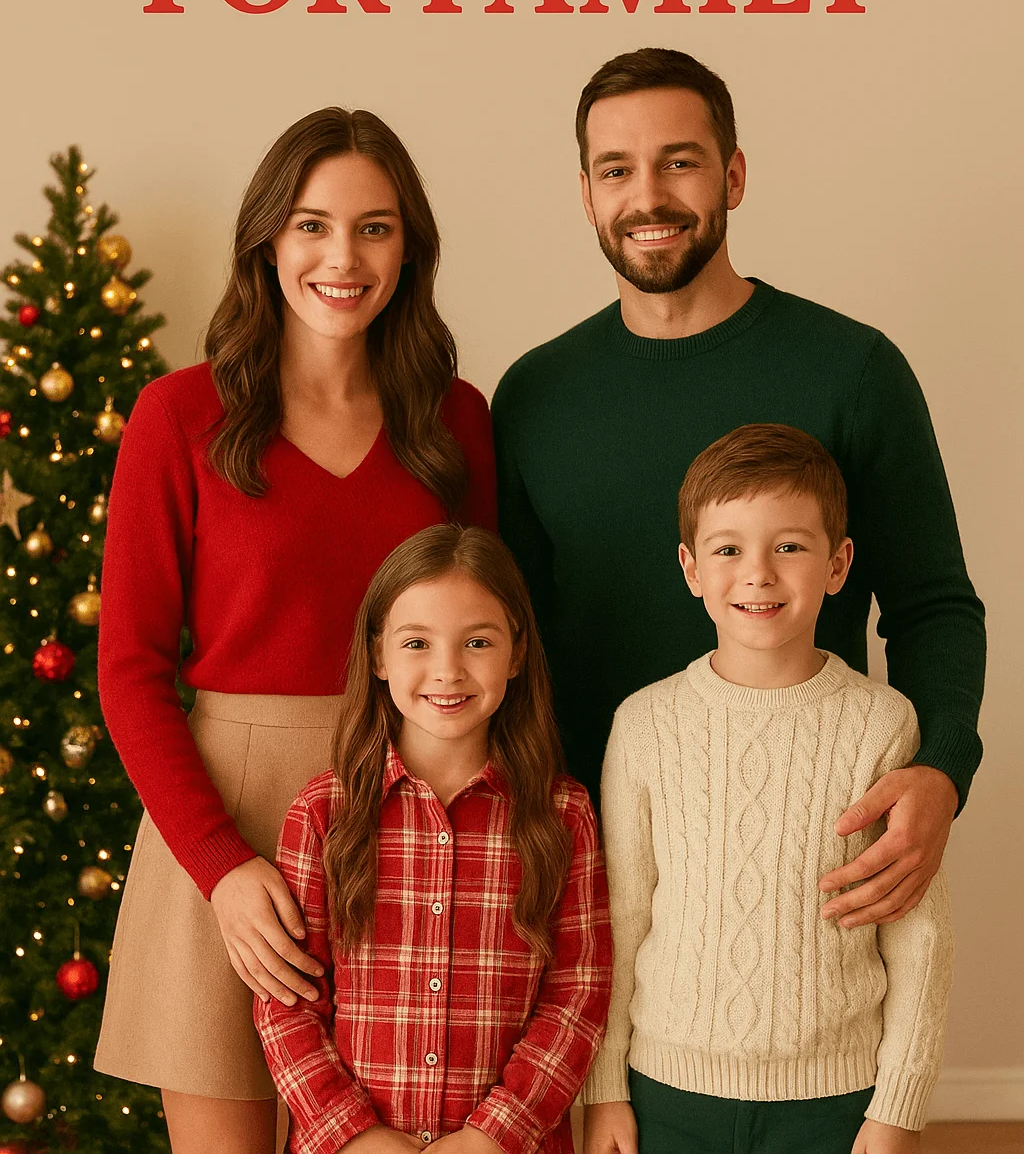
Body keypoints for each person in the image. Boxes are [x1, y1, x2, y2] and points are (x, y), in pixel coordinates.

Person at [492, 46, 984, 929]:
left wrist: (941, 769)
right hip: (589, 865)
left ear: (734, 175)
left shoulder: (852, 371)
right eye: (618, 170)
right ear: (587, 193)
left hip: (810, 856)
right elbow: (513, 641)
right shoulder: (534, 397)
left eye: (679, 161)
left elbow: (933, 604)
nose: (648, 197)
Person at [94, 108, 498, 1154]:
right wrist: (220, 867)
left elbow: (492, 640)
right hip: (223, 824)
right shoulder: (178, 418)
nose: (342, 256)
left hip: (409, 825)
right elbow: (130, 671)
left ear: (409, 249)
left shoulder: (454, 422)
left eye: (375, 227)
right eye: (312, 225)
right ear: (267, 241)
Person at [583, 424, 953, 1154]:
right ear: (690, 567)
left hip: (836, 1101)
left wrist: (897, 1110)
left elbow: (920, 937)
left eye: (789, 546)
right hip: (667, 1093)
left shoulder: (883, 723)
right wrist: (605, 1092)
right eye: (728, 549)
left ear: (838, 563)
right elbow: (618, 920)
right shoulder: (645, 723)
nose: (758, 573)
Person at [254, 523, 612, 1154]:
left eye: (477, 641)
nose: (447, 670)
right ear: (377, 656)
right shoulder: (322, 814)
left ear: (518, 652)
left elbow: (577, 996)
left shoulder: (563, 815)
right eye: (417, 642)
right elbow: (287, 1004)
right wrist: (358, 1137)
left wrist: (489, 1138)